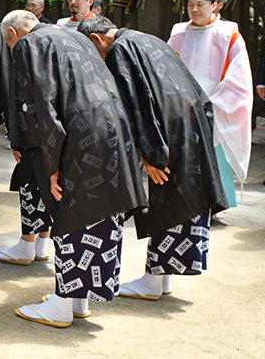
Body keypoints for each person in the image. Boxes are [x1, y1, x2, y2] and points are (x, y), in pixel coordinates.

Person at [3, 9, 145, 328]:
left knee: (71, 212)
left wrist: (51, 161)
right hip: (113, 130)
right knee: (99, 213)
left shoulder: (30, 44)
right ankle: (79, 299)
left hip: (78, 136)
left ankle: (62, 304)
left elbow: (41, 102)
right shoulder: (77, 36)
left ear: (13, 34)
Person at [78, 16, 228, 300]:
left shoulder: (120, 49)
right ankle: (161, 278)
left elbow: (136, 104)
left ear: (97, 39)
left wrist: (151, 153)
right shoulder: (149, 38)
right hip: (189, 127)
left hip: (166, 134)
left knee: (168, 201)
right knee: (181, 199)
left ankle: (152, 280)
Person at [0, 20, 53, 265]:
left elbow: (7, 89)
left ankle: (27, 243)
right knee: (48, 180)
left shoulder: (1, 42)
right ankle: (41, 245)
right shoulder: (54, 36)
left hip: (30, 126)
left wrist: (12, 132)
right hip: (56, 126)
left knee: (29, 178)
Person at [168, 0, 252, 208]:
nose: (193, 10)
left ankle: (216, 203)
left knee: (214, 160)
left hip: (214, 107)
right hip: (182, 108)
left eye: (200, 5)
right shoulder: (179, 32)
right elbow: (165, 67)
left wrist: (211, 101)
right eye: (190, 4)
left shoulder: (229, 34)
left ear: (214, 5)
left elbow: (239, 78)